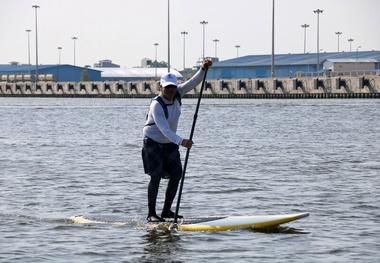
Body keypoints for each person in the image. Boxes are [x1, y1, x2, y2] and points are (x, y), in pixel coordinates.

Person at [142, 58, 213, 222]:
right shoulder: (156, 105)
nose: (170, 90)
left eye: (173, 87)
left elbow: (195, 81)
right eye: (167, 88)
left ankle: (167, 210)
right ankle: (151, 214)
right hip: (153, 141)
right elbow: (164, 130)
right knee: (156, 176)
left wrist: (203, 68)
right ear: (160, 87)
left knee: (176, 174)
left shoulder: (178, 94)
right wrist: (182, 141)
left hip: (170, 143)